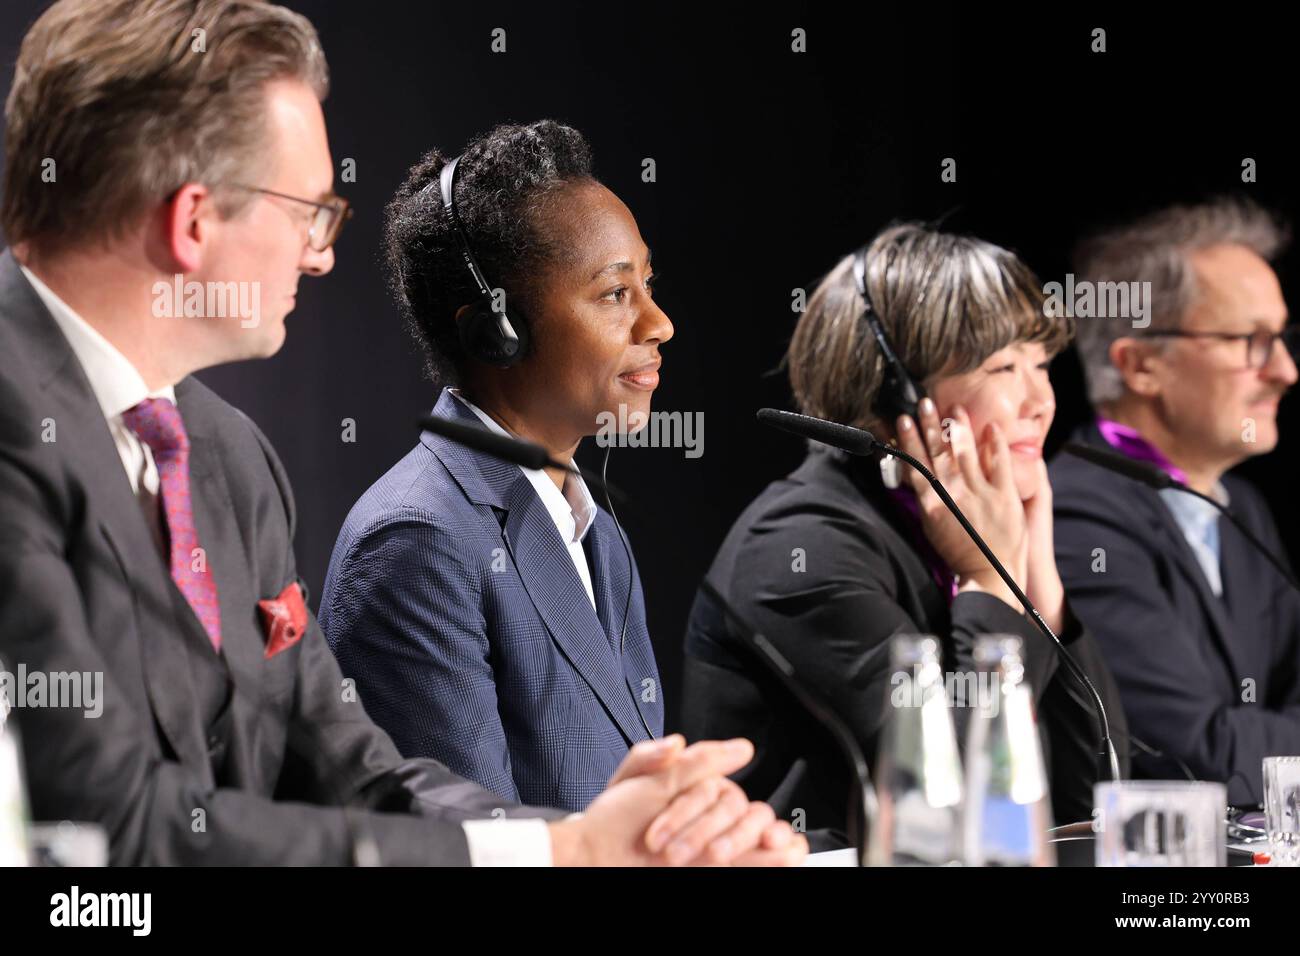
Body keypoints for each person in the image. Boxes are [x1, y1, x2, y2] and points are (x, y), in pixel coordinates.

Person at [0, 0, 806, 867]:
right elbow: (103, 831)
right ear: (193, 220)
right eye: (309, 212)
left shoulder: (229, 459)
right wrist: (564, 857)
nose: (322, 254)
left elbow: (351, 771)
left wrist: (583, 838)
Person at [682, 224, 1129, 838]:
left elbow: (1093, 809)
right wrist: (987, 578)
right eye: (1003, 366)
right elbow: (957, 811)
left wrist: (1038, 578)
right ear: (900, 391)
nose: (1040, 402)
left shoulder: (948, 525)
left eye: (1043, 364)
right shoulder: (800, 545)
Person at [321, 120, 671, 813]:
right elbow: (474, 848)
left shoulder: (598, 535)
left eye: (648, 285)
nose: (658, 324)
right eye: (614, 294)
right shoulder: (416, 542)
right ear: (497, 330)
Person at [1052, 198, 1300, 805]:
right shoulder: (1075, 513)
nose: (1286, 371)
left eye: (1283, 338)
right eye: (1251, 341)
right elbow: (1193, 757)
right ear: (1140, 366)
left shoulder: (1237, 505)